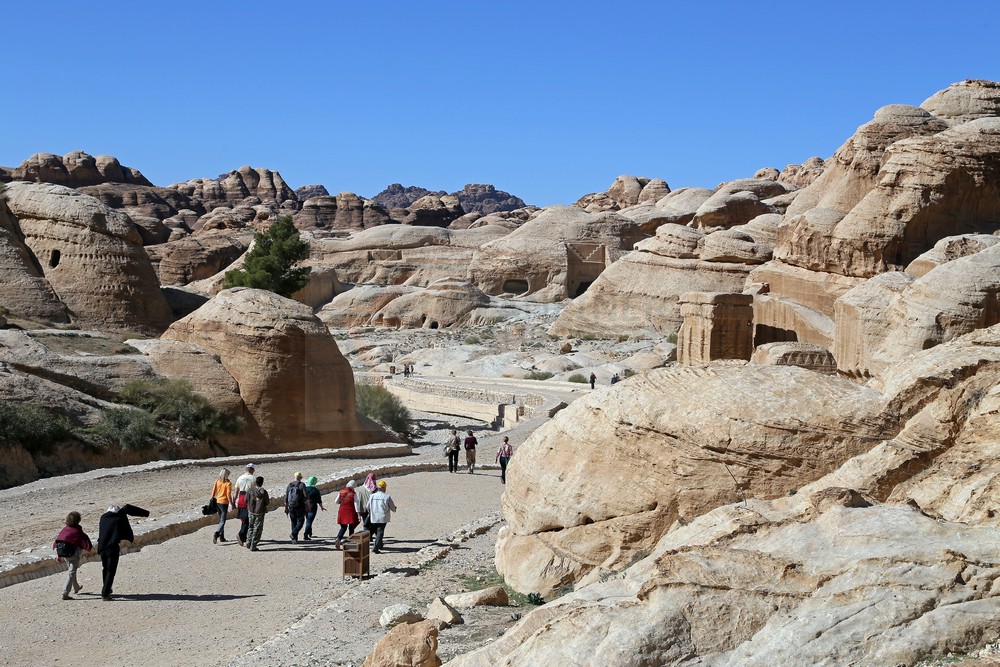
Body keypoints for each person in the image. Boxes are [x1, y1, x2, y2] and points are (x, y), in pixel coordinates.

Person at [97, 504, 150, 601]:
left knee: (105, 569)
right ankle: (105, 593)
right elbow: (123, 531)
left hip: (102, 547)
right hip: (112, 548)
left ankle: (107, 588)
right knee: (111, 571)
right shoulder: (118, 519)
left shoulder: (103, 518)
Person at [53, 511, 94, 600]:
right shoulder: (77, 530)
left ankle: (76, 587)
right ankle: (65, 592)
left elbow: (59, 541)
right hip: (73, 554)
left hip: (64, 554)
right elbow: (84, 541)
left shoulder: (64, 529)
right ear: (78, 520)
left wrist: (59, 555)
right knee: (71, 572)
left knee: (72, 570)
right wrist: (89, 549)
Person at [367, 480, 396, 554]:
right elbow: (392, 507)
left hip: (373, 517)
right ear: (384, 488)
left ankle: (379, 544)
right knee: (380, 532)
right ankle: (376, 547)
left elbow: (367, 506)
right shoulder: (387, 496)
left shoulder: (372, 496)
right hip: (382, 517)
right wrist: (394, 509)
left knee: (377, 531)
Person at [234, 463, 256, 547]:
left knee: (244, 518)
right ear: (252, 469)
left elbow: (236, 491)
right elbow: (255, 491)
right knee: (248, 519)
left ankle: (244, 537)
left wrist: (233, 502)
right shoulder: (254, 478)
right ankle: (241, 534)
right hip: (249, 498)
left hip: (241, 498)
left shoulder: (240, 478)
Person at [210, 468, 234, 544]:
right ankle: (216, 534)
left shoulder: (217, 481)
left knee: (221, 520)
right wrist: (231, 503)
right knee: (223, 521)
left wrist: (212, 499)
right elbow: (228, 494)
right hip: (224, 503)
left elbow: (213, 491)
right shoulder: (228, 483)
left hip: (218, 502)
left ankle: (222, 537)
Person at [334, 480, 359, 548]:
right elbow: (356, 504)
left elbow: (336, 501)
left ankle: (338, 538)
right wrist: (358, 514)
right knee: (351, 527)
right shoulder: (353, 493)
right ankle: (351, 540)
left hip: (342, 511)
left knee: (343, 527)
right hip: (350, 511)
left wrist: (342, 503)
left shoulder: (341, 491)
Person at [246, 476, 269, 551]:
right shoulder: (263, 492)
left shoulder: (250, 490)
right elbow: (267, 502)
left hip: (251, 511)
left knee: (251, 526)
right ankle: (254, 545)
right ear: (262, 483)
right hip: (260, 512)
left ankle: (248, 542)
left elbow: (245, 500)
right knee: (258, 528)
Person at [284, 472, 308, 543]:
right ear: (300, 478)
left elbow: (286, 497)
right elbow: (306, 496)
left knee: (293, 522)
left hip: (291, 506)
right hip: (300, 505)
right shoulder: (302, 485)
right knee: (301, 521)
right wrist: (308, 505)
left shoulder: (290, 485)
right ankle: (294, 533)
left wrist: (286, 507)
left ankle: (294, 539)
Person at [303, 476, 325, 540]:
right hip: (312, 507)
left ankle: (310, 532)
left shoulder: (304, 489)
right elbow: (319, 500)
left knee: (308, 519)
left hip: (304, 506)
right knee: (309, 521)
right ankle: (306, 534)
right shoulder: (315, 490)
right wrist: (322, 507)